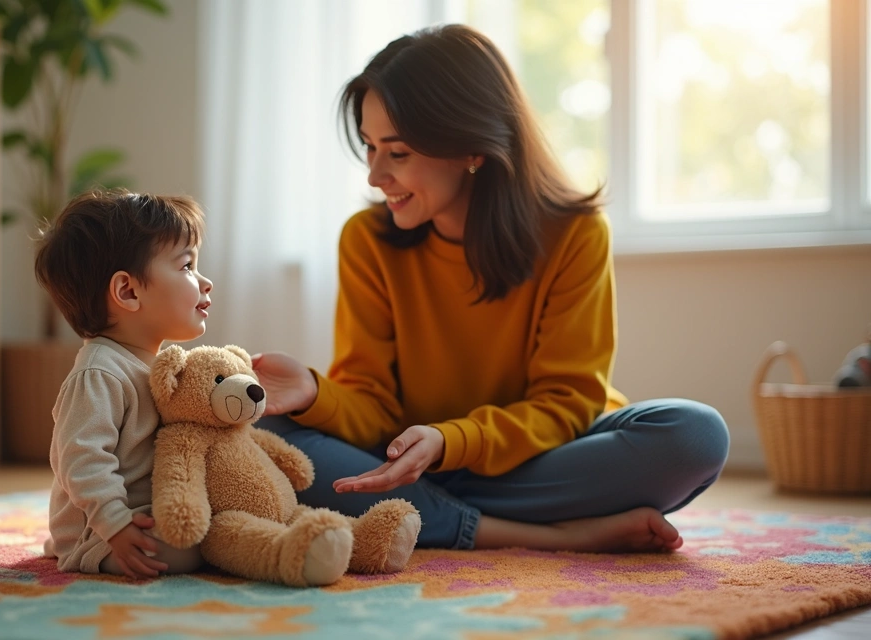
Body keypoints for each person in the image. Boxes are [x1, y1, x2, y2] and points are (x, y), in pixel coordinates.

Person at [252, 24, 729, 554]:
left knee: (693, 436)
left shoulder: (575, 233)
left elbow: (566, 404)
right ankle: (549, 533)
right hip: (411, 459)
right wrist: (314, 394)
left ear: (470, 147)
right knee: (269, 433)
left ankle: (431, 514)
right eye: (369, 147)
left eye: (399, 152)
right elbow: (374, 411)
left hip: (537, 457)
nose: (375, 175)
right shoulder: (366, 241)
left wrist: (449, 443)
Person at [35, 189, 213, 578]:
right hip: (104, 529)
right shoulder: (99, 373)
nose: (205, 282)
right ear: (128, 292)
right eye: (186, 267)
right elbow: (81, 458)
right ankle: (88, 549)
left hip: (155, 508)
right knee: (184, 550)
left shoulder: (160, 368)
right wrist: (114, 524)